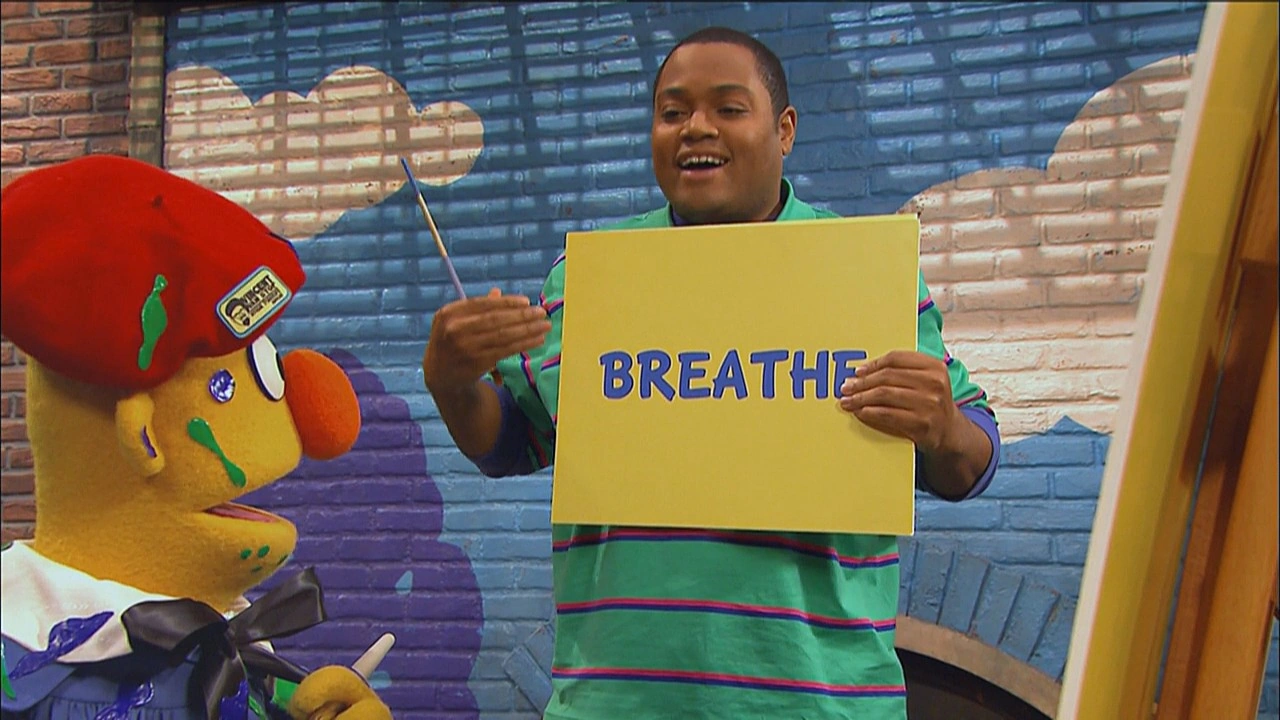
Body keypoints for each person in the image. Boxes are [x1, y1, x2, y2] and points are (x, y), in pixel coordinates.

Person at [422, 27, 1000, 720]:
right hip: (617, 705)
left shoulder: (867, 277)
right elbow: (515, 442)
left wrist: (944, 428)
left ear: (784, 130)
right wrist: (452, 383)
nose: (696, 127)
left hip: (822, 705)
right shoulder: (588, 279)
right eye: (672, 112)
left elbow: (970, 461)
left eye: (728, 107)